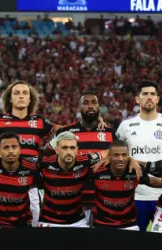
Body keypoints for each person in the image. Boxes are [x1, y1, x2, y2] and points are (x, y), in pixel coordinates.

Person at [0, 81, 58, 227]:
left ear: (30, 99)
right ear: (10, 98)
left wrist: (47, 151)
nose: (21, 96)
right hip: (2, 179)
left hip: (30, 181)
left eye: (25, 93)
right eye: (16, 93)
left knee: (33, 217)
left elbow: (63, 132)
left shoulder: (39, 121)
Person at [115, 81, 162, 232]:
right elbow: (115, 154)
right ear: (137, 99)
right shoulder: (126, 126)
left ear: (157, 99)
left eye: (152, 94)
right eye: (145, 94)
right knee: (134, 246)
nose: (149, 97)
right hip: (134, 196)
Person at [49, 92, 115, 222]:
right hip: (73, 201)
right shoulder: (65, 131)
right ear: (79, 107)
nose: (90, 106)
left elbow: (120, 157)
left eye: (94, 103)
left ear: (99, 107)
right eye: (85, 103)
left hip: (102, 201)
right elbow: (48, 153)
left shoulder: (109, 132)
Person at [38, 132, 102, 227]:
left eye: (72, 148)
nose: (69, 152)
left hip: (78, 222)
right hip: (49, 221)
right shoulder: (44, 163)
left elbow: (110, 152)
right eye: (64, 148)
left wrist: (131, 160)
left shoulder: (85, 161)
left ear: (77, 150)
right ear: (57, 150)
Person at [0, 132, 39, 228]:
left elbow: (35, 198)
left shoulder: (31, 169)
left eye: (14, 147)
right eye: (6, 148)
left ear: (20, 150)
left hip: (21, 222)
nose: (11, 151)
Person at [92, 140, 151, 230]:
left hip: (129, 224)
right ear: (109, 156)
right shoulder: (96, 171)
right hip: (102, 224)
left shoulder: (135, 170)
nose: (120, 159)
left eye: (124, 155)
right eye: (116, 155)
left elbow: (152, 181)